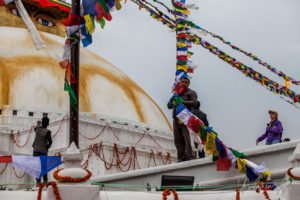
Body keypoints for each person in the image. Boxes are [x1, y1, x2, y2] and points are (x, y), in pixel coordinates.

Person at [167, 77, 198, 162]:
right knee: (178, 140)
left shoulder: (191, 92)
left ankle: (190, 155)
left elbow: (194, 103)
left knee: (187, 138)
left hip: (185, 118)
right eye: (182, 82)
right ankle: (181, 157)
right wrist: (174, 98)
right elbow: (169, 106)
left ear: (188, 84)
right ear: (179, 83)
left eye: (186, 82)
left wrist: (182, 102)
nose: (184, 83)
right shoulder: (176, 94)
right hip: (176, 119)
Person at [32, 116, 52, 183]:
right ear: (48, 124)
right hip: (43, 151)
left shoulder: (37, 128)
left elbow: (34, 129)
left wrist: (39, 124)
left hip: (35, 150)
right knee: (43, 167)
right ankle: (45, 181)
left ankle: (38, 181)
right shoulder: (48, 131)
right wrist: (47, 146)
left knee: (37, 166)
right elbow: (50, 141)